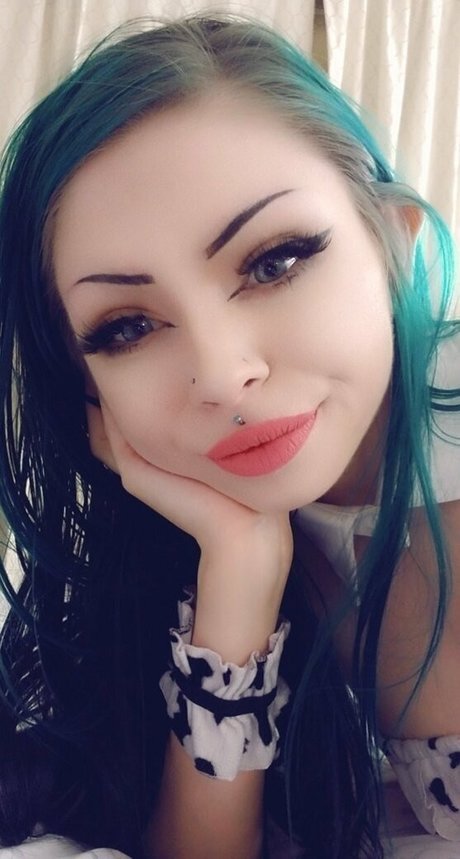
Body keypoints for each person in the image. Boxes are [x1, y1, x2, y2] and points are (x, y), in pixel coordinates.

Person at [0, 12, 458, 859]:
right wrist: (239, 576)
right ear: (87, 387)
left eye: (275, 261)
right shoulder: (173, 554)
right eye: (128, 327)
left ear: (395, 243)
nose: (219, 372)